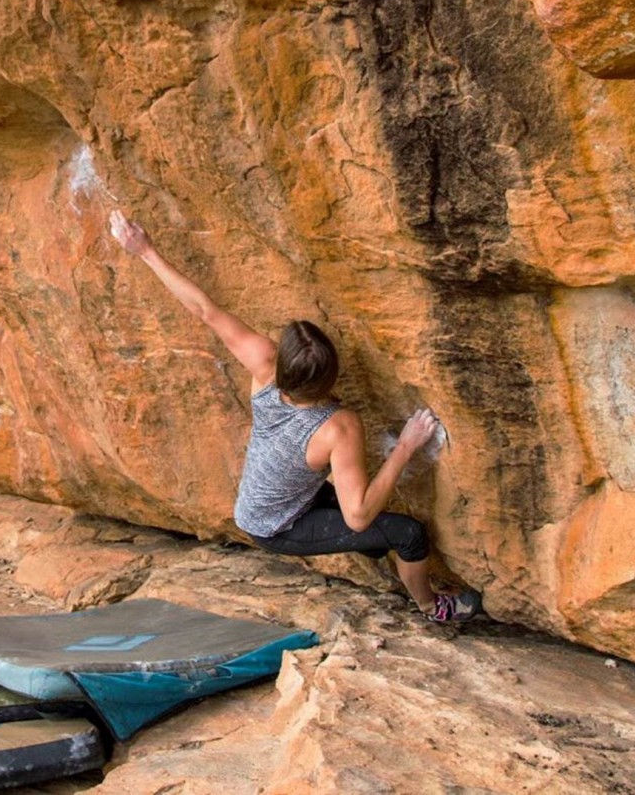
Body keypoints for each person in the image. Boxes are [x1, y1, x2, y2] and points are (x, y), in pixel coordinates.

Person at [108, 211, 479, 622]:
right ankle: (431, 606)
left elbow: (205, 311)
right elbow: (356, 516)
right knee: (407, 533)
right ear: (332, 374)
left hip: (261, 502)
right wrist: (406, 447)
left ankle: (381, 555)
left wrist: (144, 251)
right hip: (277, 528)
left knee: (370, 529)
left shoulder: (264, 366)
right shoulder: (338, 426)